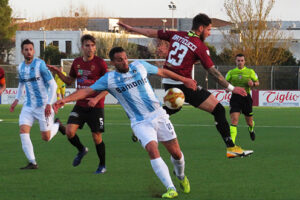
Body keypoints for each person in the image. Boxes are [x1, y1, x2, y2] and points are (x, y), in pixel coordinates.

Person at [54, 47, 196, 198]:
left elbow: (163, 72)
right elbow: (87, 91)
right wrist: (64, 100)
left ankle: (180, 176)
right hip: (139, 122)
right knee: (152, 150)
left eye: (125, 58)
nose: (125, 62)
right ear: (114, 62)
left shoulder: (140, 66)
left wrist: (184, 79)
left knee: (176, 154)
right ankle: (170, 188)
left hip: (159, 115)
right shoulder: (109, 79)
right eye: (120, 60)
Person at [118, 13, 252, 158]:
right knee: (218, 109)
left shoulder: (177, 34)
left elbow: (151, 32)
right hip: (182, 83)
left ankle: (144, 122)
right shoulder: (199, 46)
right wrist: (232, 88)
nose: (209, 33)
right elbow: (213, 72)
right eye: (208, 30)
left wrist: (132, 29)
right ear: (200, 28)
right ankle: (231, 148)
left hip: (169, 81)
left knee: (174, 107)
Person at [48, 34, 108, 174]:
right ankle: (81, 150)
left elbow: (109, 85)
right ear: (82, 47)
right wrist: (58, 72)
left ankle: (102, 165)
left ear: (95, 47)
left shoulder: (100, 63)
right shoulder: (77, 62)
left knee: (96, 137)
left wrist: (96, 98)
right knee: (69, 131)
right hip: (80, 104)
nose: (90, 48)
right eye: (87, 45)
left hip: (96, 106)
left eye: (92, 45)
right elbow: (69, 81)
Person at [9, 39, 60, 170]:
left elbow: (53, 85)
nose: (28, 52)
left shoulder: (40, 65)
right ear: (22, 51)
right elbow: (21, 84)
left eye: (31, 49)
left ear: (34, 51)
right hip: (28, 106)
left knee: (46, 138)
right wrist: (16, 99)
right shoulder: (20, 67)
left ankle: (58, 125)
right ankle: (32, 162)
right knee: (23, 131)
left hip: (43, 106)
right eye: (26, 49)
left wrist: (49, 103)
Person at [225, 54, 259, 144]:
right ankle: (232, 145)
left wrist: (253, 84)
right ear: (235, 61)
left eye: (242, 60)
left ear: (244, 61)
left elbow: (257, 82)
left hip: (246, 98)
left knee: (249, 122)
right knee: (234, 120)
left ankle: (251, 129)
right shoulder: (231, 72)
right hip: (235, 98)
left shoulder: (250, 71)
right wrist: (227, 88)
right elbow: (226, 83)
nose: (240, 62)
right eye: (238, 60)